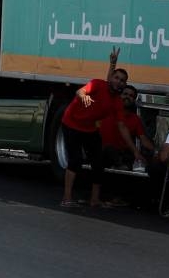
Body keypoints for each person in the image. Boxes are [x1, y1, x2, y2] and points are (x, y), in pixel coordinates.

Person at [60, 52, 145, 208]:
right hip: (71, 123)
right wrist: (84, 96)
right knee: (75, 160)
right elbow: (79, 92)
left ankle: (95, 199)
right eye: (116, 78)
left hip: (90, 128)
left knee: (98, 162)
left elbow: (122, 127)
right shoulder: (97, 84)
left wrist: (135, 151)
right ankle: (66, 198)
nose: (119, 82)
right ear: (111, 78)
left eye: (122, 81)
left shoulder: (117, 102)